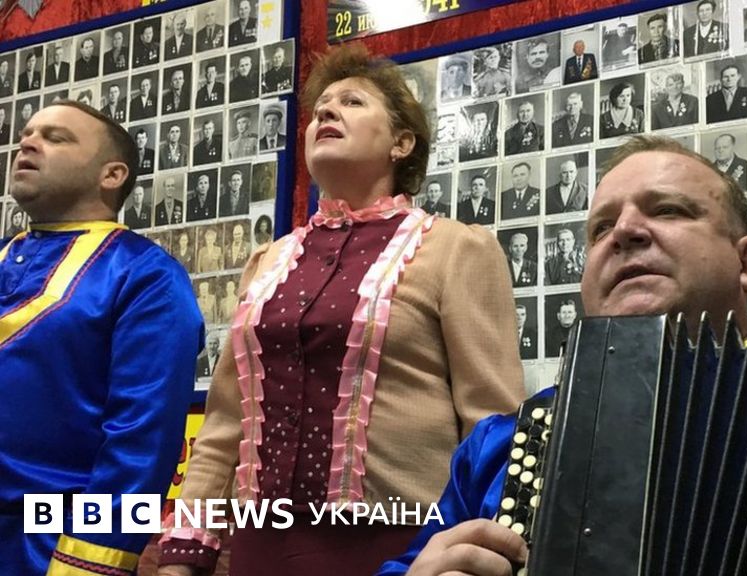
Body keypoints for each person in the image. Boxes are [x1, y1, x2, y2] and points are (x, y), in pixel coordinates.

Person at [157, 43, 524, 576]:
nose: (326, 112)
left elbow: (491, 423)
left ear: (401, 143)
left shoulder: (455, 248)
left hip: (406, 546)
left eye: (352, 102)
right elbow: (224, 426)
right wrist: (184, 554)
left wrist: (481, 551)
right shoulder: (268, 262)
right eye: (320, 109)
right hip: (262, 548)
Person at [380, 134, 747, 575]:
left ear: (746, 264)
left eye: (667, 210)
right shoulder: (498, 445)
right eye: (601, 228)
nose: (623, 232)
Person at [0, 100, 202, 576]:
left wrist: (90, 557)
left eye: (55, 137)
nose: (27, 144)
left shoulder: (145, 275)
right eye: (27, 135)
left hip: (48, 547)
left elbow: (142, 439)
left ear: (111, 175)